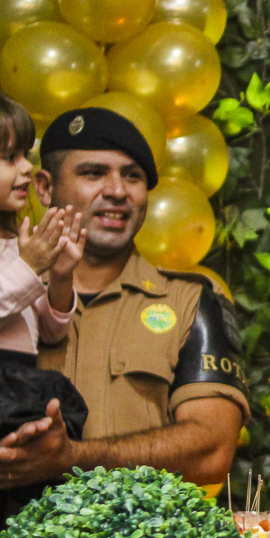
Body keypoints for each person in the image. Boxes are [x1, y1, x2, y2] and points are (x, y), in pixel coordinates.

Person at [0, 107, 249, 512]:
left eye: (133, 176)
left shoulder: (190, 300)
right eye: (93, 173)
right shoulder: (11, 291)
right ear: (44, 188)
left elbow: (211, 450)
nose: (117, 191)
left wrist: (70, 458)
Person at [0, 95, 89, 523]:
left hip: (19, 385)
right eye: (8, 158)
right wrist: (29, 265)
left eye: (24, 155)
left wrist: (61, 277)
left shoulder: (17, 240)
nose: (25, 169)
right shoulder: (24, 253)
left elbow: (50, 331)